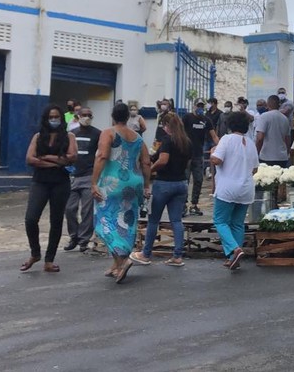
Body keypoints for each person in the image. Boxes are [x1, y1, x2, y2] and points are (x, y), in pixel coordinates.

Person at [92, 102, 152, 283]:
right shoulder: (138, 138)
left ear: (113, 116)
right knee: (126, 223)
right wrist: (146, 185)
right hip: (133, 184)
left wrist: (94, 182)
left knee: (105, 221)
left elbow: (102, 156)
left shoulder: (108, 133)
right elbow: (146, 162)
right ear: (127, 117)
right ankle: (116, 265)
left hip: (112, 183)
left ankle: (124, 261)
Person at [20, 104, 77, 274]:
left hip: (60, 183)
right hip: (40, 182)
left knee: (56, 221)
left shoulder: (69, 136)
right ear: (46, 119)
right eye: (51, 117)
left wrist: (45, 158)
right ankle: (35, 253)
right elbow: (30, 159)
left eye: (56, 117)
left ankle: (49, 260)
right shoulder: (38, 137)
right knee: (31, 219)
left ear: (61, 118)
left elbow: (72, 157)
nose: (54, 120)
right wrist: (57, 161)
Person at [130, 113, 193, 267]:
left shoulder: (168, 140)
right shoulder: (186, 142)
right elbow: (188, 162)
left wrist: (150, 170)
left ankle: (145, 254)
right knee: (176, 220)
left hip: (164, 184)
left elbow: (163, 160)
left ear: (167, 125)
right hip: (181, 183)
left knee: (153, 220)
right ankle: (177, 256)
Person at [210, 111, 260, 271]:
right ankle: (233, 258)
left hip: (227, 188)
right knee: (237, 224)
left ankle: (234, 249)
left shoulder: (227, 139)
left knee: (220, 221)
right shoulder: (250, 143)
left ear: (230, 125)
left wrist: (212, 153)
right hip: (246, 188)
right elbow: (255, 169)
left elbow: (217, 160)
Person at [64, 107, 99, 253]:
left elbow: (101, 155)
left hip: (89, 176)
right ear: (78, 116)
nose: (87, 117)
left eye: (89, 115)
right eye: (84, 115)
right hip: (73, 176)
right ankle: (74, 236)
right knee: (69, 209)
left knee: (87, 211)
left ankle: (84, 240)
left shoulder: (97, 134)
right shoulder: (71, 134)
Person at [184, 98, 219, 216]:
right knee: (185, 180)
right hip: (186, 155)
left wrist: (221, 147)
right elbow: (179, 132)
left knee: (198, 180)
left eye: (201, 106)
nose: (200, 108)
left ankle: (194, 205)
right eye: (198, 105)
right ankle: (183, 205)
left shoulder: (206, 120)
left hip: (198, 154)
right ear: (194, 106)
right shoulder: (187, 118)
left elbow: (214, 136)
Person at [255, 94, 291, 168]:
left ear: (267, 104)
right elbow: (287, 138)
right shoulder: (285, 119)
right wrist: (287, 152)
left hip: (267, 157)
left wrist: (256, 152)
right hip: (282, 157)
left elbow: (260, 138)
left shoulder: (264, 116)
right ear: (279, 105)